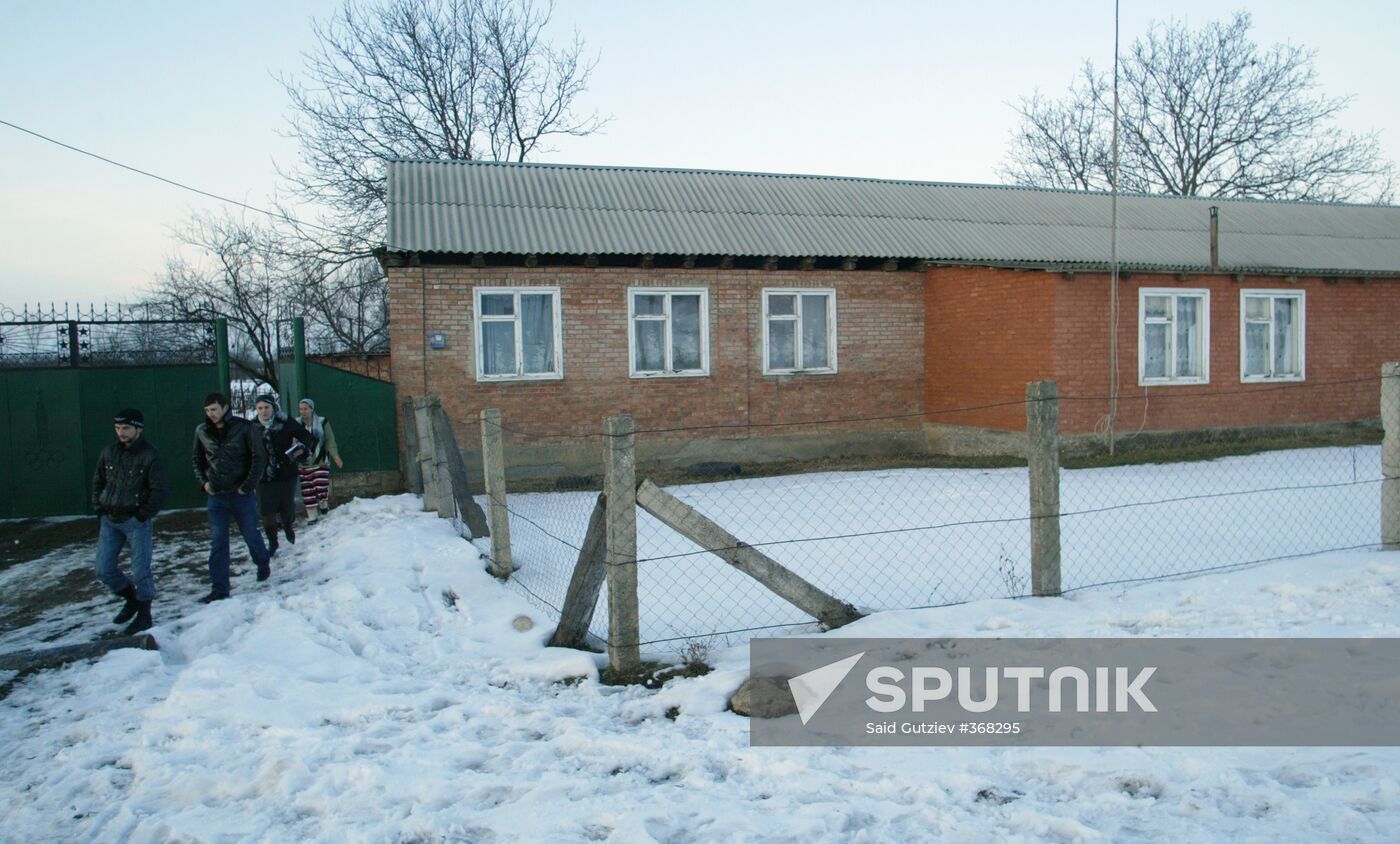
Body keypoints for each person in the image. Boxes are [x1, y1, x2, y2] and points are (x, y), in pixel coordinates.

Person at [92, 408, 169, 634]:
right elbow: (98, 481)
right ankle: (131, 599)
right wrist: (99, 509)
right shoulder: (109, 452)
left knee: (140, 570)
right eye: (117, 428)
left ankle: (145, 614)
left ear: (138, 429)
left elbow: (159, 490)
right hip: (110, 519)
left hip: (136, 520)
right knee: (103, 569)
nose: (121, 432)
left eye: (126, 428)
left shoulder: (150, 455)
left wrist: (142, 515)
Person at [193, 392, 272, 600]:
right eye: (207, 411)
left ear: (225, 408)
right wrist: (204, 483)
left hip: (241, 494)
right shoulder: (202, 431)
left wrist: (247, 486)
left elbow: (258, 458)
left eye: (214, 409)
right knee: (218, 541)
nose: (211, 414)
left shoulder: (245, 428)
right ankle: (219, 588)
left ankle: (263, 561)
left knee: (250, 534)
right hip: (217, 495)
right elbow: (197, 460)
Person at [253, 393, 316, 554]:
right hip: (263, 475)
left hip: (286, 472)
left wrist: (299, 449)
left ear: (273, 407)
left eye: (267, 407)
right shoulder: (252, 426)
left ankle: (288, 526)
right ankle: (272, 542)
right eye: (260, 408)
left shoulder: (285, 421)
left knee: (286, 506)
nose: (264, 411)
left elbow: (306, 436)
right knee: (266, 510)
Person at [296, 397, 343, 522]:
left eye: (306, 409)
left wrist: (335, 456)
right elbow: (293, 442)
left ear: (312, 409)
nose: (303, 411)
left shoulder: (322, 422)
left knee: (320, 485)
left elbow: (330, 440)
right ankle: (312, 516)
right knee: (307, 489)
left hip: (321, 460)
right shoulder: (296, 423)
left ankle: (323, 502)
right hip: (304, 462)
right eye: (301, 409)